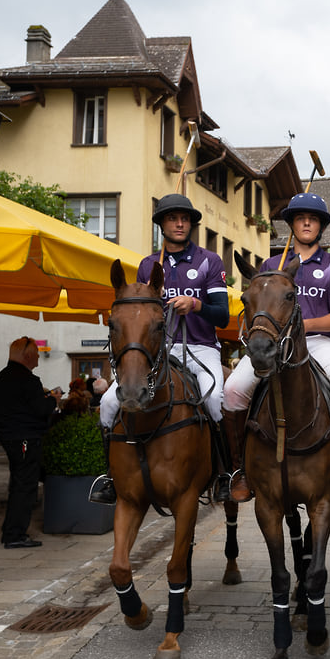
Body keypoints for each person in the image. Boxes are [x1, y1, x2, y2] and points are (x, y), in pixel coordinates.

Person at [222, 192, 330, 508]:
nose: (307, 222)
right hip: (273, 343)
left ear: (321, 225)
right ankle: (239, 470)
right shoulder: (272, 265)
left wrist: (302, 328)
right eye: (301, 218)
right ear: (293, 225)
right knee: (231, 391)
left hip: (319, 342)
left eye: (313, 218)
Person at [92, 193, 232, 504]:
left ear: (191, 224)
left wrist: (195, 304)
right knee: (107, 404)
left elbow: (222, 316)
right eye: (172, 218)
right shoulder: (148, 265)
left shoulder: (210, 261)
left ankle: (225, 473)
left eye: (185, 218)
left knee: (215, 401)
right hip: (160, 350)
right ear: (162, 225)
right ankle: (110, 477)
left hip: (202, 347)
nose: (179, 223)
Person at [0, 337, 60, 549]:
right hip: (25, 439)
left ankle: (10, 530)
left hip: (10, 437)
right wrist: (53, 400)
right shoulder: (28, 380)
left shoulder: (2, 377)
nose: (39, 358)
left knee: (18, 483)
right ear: (27, 356)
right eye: (37, 354)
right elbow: (41, 409)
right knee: (25, 486)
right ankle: (15, 535)